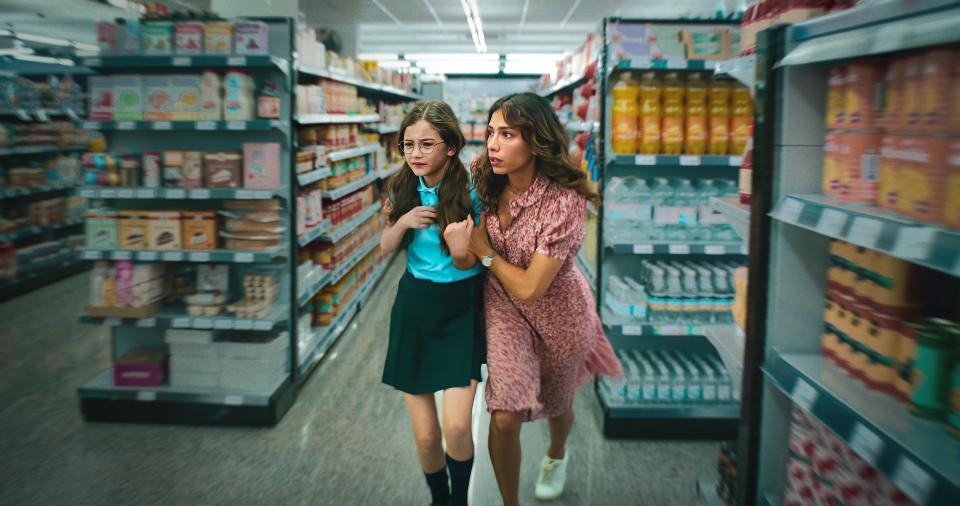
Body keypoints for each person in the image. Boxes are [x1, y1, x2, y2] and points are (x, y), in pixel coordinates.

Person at [443, 92, 623, 506]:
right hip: (505, 308)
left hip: (559, 315)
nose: (492, 144)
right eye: (491, 132)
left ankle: (556, 454)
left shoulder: (563, 202)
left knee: (557, 405)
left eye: (507, 134)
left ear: (536, 140)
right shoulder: (483, 177)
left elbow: (530, 287)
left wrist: (485, 252)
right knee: (504, 417)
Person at [380, 100, 486, 506]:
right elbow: (386, 246)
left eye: (427, 144)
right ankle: (439, 499)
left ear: (451, 147)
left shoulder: (473, 191)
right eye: (408, 145)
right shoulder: (401, 187)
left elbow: (473, 261)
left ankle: (459, 500)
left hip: (461, 307)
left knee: (457, 428)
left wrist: (461, 251)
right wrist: (403, 222)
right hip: (416, 307)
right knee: (426, 435)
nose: (415, 154)